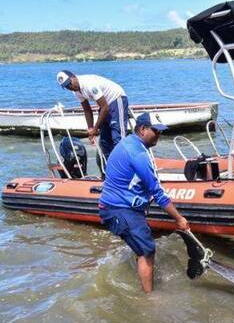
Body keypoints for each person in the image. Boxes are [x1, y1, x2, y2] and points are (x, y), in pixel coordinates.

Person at [98, 112, 189, 293]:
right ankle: (150, 298)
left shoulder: (127, 143)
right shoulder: (138, 154)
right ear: (142, 129)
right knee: (148, 251)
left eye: (161, 131)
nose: (159, 135)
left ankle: (140, 269)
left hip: (114, 206)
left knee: (142, 245)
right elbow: (158, 192)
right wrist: (179, 219)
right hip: (120, 209)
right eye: (156, 131)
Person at [56, 70, 129, 160]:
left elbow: (105, 107)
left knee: (118, 137)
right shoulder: (76, 92)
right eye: (66, 86)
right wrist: (90, 129)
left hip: (116, 98)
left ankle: (124, 167)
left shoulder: (89, 84)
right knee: (104, 141)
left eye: (69, 83)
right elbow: (87, 110)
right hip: (104, 105)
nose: (70, 87)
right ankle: (108, 169)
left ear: (74, 76)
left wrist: (95, 128)